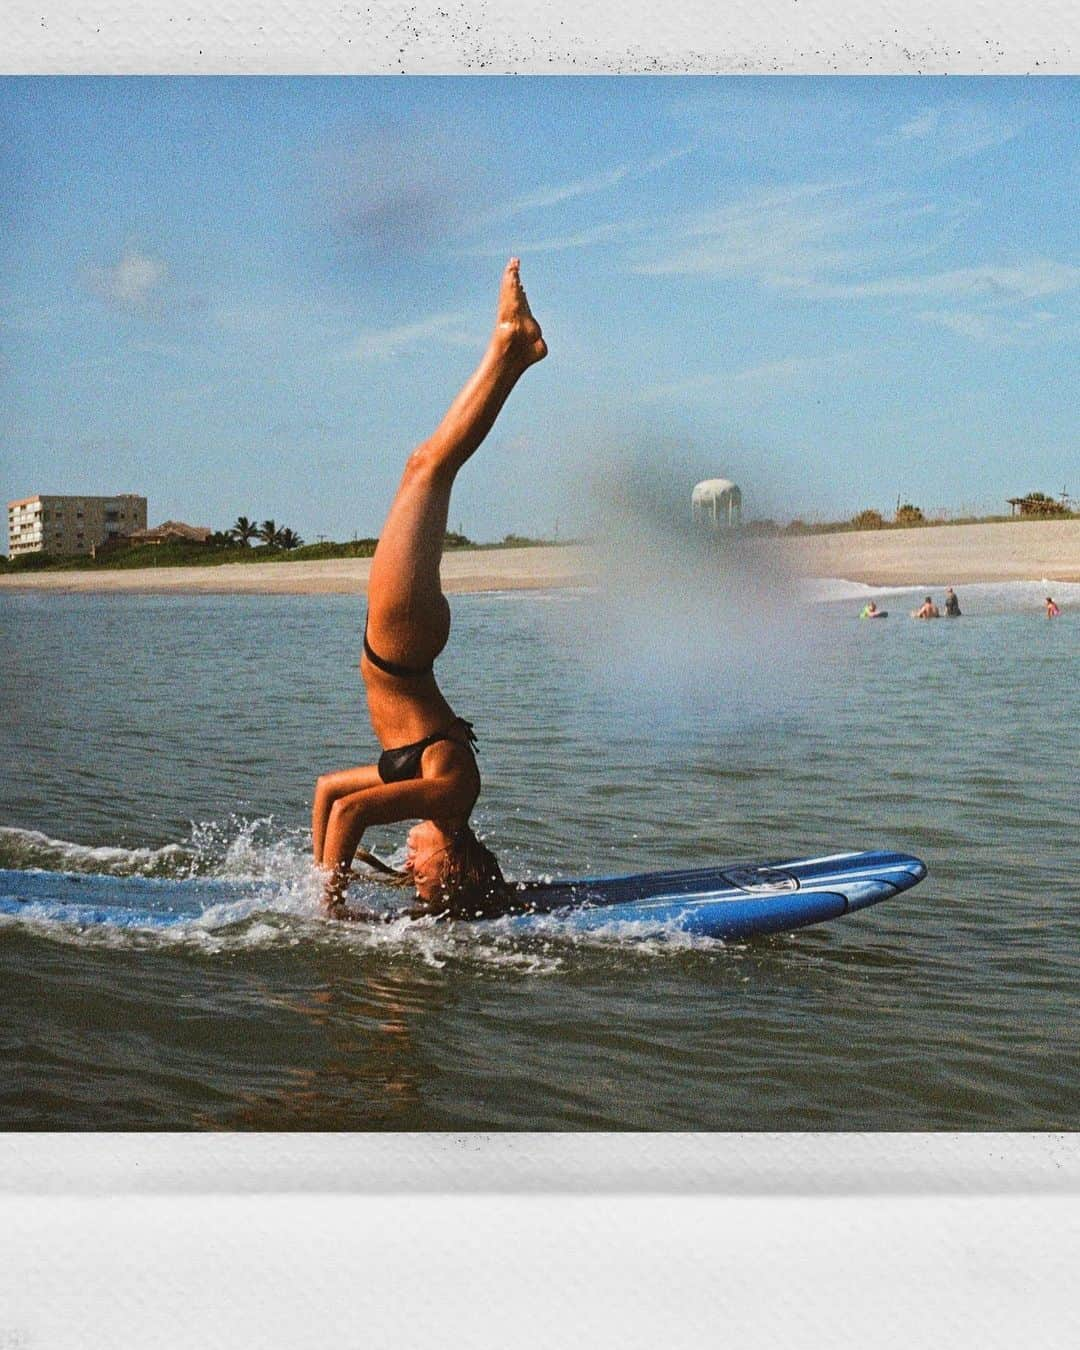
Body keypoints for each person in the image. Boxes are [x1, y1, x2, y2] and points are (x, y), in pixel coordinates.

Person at [311, 259, 547, 921]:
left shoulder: (424, 790)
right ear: (455, 862)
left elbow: (332, 793)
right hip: (401, 643)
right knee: (427, 467)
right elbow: (355, 814)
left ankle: (515, 349)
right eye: (423, 868)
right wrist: (329, 907)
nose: (411, 862)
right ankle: (511, 346)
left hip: (399, 643)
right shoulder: (446, 793)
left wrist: (321, 886)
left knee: (424, 468)